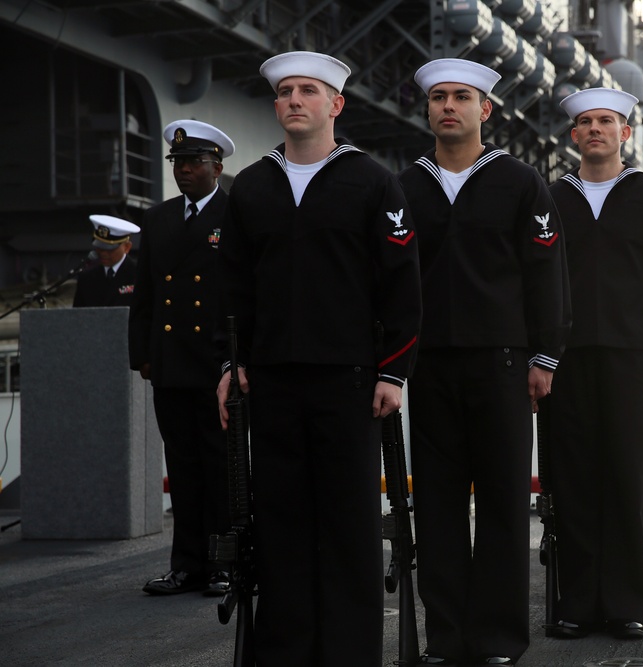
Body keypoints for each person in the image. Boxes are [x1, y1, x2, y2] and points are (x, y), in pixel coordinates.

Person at [215, 51, 422, 666]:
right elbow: (234, 290)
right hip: (273, 381)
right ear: (276, 106)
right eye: (285, 92)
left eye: (309, 90)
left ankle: (351, 654)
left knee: (350, 525)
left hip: (350, 380)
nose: (295, 100)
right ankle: (287, 652)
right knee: (279, 524)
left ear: (336, 104)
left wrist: (393, 371)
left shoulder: (373, 181)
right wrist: (230, 365)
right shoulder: (250, 186)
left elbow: (402, 285)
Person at [397, 58, 570, 666]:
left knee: (500, 504)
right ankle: (446, 638)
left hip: (503, 363)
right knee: (438, 506)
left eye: (461, 97)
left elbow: (546, 274)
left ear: (485, 110)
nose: (449, 106)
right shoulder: (405, 186)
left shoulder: (521, 182)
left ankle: (498, 639)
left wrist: (545, 355)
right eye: (439, 97)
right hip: (432, 368)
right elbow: (390, 280)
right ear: (428, 110)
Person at [545, 88, 643, 639]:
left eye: (607, 121)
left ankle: (629, 603)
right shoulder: (552, 196)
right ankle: (578, 604)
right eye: (586, 122)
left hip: (633, 358)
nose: (596, 129)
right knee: (575, 478)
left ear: (625, 133)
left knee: (629, 478)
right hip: (569, 358)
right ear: (574, 135)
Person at [128, 120, 235, 596]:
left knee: (219, 467)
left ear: (217, 167)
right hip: (171, 366)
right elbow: (146, 296)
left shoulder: (236, 217)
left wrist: (238, 360)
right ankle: (185, 563)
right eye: (178, 163)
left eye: (194, 163)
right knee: (184, 468)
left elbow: (240, 298)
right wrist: (143, 358)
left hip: (215, 367)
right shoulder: (159, 219)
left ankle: (222, 564)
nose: (184, 171)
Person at [72, 215, 139, 307]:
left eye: (110, 249)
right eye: (100, 248)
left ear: (126, 247)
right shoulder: (87, 277)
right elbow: (78, 315)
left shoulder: (140, 273)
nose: (103, 253)